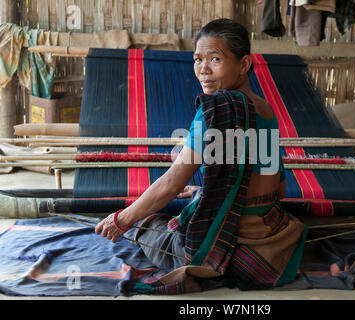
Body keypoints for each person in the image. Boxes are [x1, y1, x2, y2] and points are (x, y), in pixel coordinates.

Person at [95, 18, 307, 293]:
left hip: (224, 247)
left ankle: (205, 262)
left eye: (215, 59)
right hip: (268, 244)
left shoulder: (215, 112)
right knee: (196, 198)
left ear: (244, 64)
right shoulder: (265, 110)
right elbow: (278, 188)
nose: (203, 70)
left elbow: (171, 184)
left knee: (149, 224)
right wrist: (204, 191)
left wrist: (122, 220)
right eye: (198, 59)